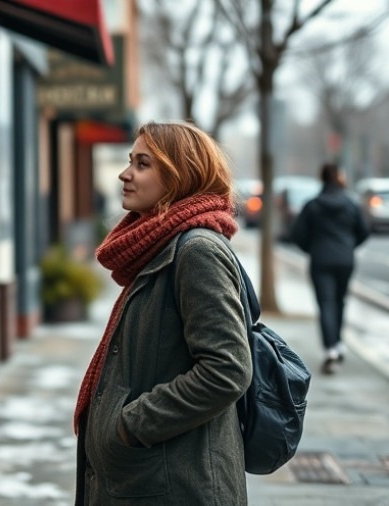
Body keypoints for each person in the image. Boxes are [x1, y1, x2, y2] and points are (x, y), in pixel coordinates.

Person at [73, 121, 252, 505]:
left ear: (178, 176)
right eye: (129, 161)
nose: (125, 174)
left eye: (142, 164)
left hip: (175, 483)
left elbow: (228, 369)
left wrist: (132, 424)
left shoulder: (196, 251)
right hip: (148, 477)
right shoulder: (161, 245)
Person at [290, 163, 369, 375]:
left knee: (325, 303)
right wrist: (348, 246)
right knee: (340, 301)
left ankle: (330, 349)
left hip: (320, 259)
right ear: (339, 178)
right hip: (345, 260)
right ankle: (338, 342)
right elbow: (363, 231)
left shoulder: (312, 205)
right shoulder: (351, 204)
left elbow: (297, 234)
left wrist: (312, 249)